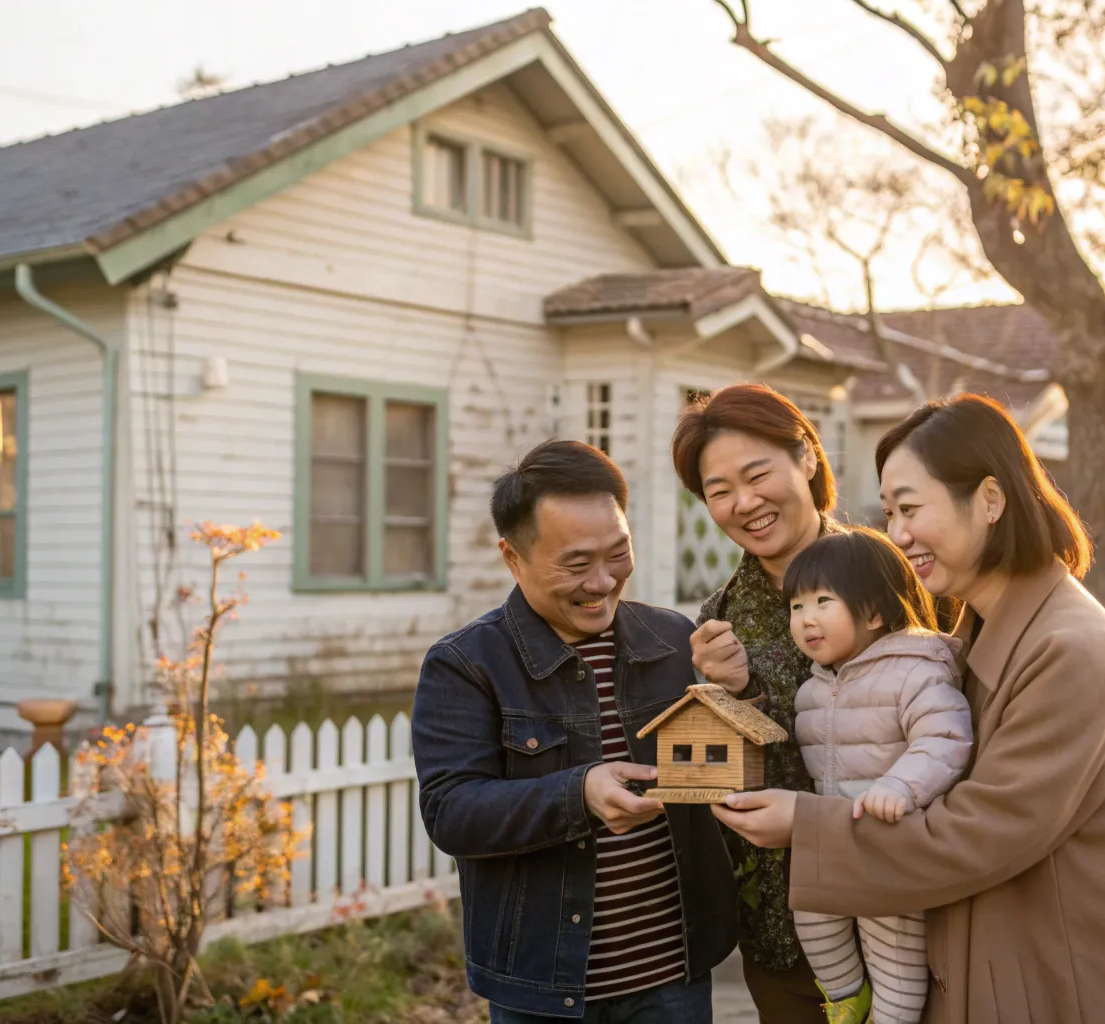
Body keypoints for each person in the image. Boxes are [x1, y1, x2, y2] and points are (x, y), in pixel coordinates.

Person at [713, 395, 1105, 1024]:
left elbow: (979, 833)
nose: (898, 535)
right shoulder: (978, 627)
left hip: (1067, 983)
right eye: (889, 512)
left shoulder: (1069, 649)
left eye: (912, 509)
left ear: (991, 500)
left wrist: (806, 827)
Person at [412, 440, 737, 1022]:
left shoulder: (671, 641)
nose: (603, 581)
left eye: (619, 553)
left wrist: (738, 695)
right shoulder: (467, 665)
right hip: (544, 987)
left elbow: (719, 772)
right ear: (513, 558)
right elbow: (451, 812)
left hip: (675, 975)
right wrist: (579, 793)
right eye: (576, 563)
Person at [669, 382, 842, 1023]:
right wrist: (736, 697)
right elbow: (731, 783)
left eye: (757, 473)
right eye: (719, 491)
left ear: (806, 458)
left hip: (909, 908)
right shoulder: (718, 622)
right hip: (783, 930)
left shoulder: (892, 575)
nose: (745, 502)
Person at [784, 528, 973, 1024]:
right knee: (810, 913)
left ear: (872, 612)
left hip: (891, 848)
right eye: (797, 607)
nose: (806, 619)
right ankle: (847, 1000)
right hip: (837, 843)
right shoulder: (811, 690)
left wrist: (899, 786)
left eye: (823, 601)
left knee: (894, 958)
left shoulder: (914, 670)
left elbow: (944, 739)